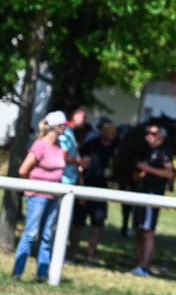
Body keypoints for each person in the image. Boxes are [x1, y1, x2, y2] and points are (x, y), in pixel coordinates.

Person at [12, 111, 68, 281]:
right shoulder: (40, 145)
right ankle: (17, 272)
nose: (65, 128)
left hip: (53, 197)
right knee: (30, 233)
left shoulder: (59, 146)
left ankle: (43, 274)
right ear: (56, 127)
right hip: (38, 197)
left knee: (46, 236)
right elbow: (23, 171)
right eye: (63, 125)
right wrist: (32, 189)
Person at [69, 122, 118, 265]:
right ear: (101, 135)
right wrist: (81, 188)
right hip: (86, 188)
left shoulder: (113, 148)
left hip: (102, 189)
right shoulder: (91, 145)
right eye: (106, 138)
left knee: (98, 224)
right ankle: (72, 254)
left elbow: (113, 166)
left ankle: (90, 257)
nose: (109, 142)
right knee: (78, 223)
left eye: (111, 139)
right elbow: (80, 168)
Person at [131, 124, 176, 277]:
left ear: (161, 136)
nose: (149, 135)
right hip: (141, 194)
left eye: (154, 133)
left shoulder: (165, 151)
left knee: (147, 232)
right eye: (147, 133)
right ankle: (138, 265)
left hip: (152, 195)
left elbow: (170, 174)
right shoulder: (146, 151)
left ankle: (144, 268)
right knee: (138, 231)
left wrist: (147, 168)